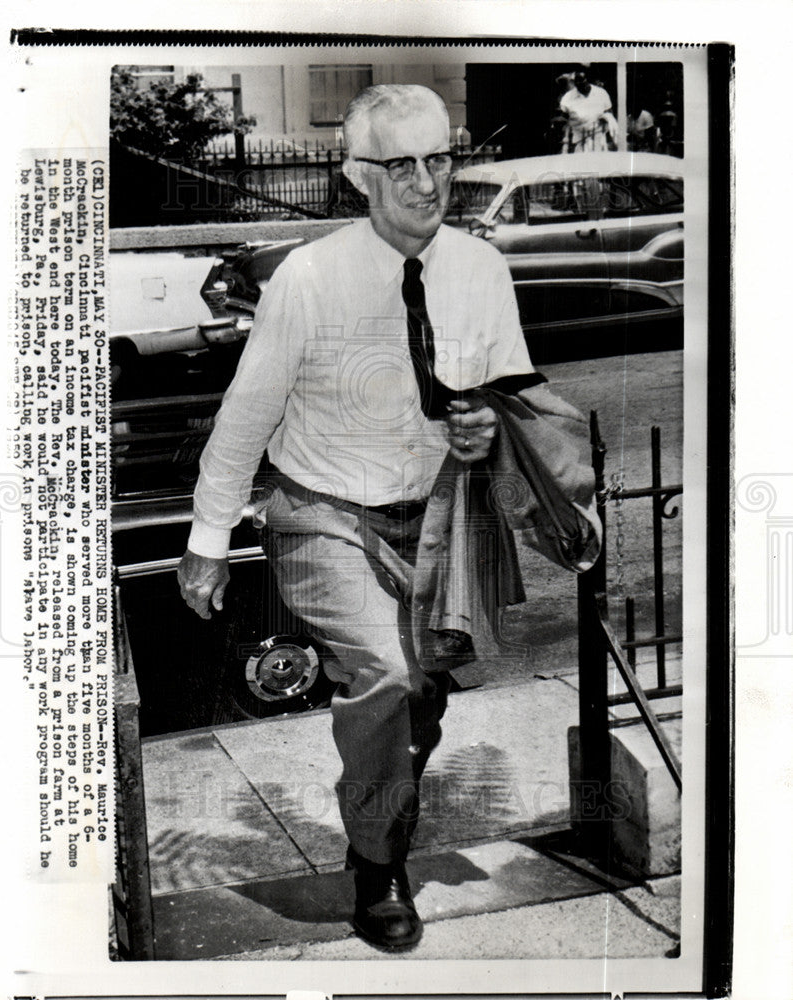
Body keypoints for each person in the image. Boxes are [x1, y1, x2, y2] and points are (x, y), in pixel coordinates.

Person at [177, 84, 539, 951]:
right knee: (385, 673)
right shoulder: (309, 277)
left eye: (438, 160)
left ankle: (381, 810)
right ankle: (379, 868)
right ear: (356, 177)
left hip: (441, 523)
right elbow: (245, 416)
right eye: (400, 165)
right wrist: (206, 542)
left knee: (422, 692)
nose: (425, 184)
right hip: (322, 513)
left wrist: (487, 421)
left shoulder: (482, 271)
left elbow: (513, 399)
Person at [560, 68, 618, 152]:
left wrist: (608, 123)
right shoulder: (567, 98)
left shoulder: (601, 93)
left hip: (599, 138)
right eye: (577, 82)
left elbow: (610, 115)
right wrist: (565, 144)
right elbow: (564, 120)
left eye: (582, 81)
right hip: (579, 140)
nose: (580, 84)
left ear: (588, 80)